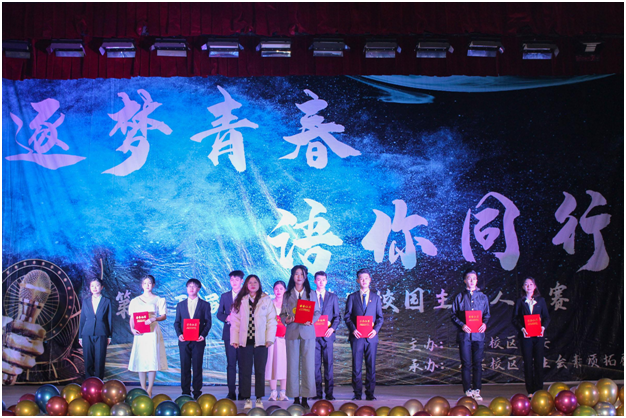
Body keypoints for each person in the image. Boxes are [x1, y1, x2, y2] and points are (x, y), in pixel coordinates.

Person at [230, 275, 277, 410]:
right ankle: (246, 398)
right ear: (246, 284)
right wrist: (234, 339)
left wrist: (269, 339)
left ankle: (258, 398)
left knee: (260, 371)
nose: (252, 284)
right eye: (250, 282)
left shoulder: (265, 300)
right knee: (245, 370)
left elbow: (272, 320)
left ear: (259, 284)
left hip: (261, 342)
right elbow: (235, 321)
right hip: (245, 342)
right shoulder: (240, 299)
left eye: (255, 282)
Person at [280, 265, 321, 409]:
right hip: (292, 332)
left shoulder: (311, 293)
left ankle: (305, 397)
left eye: (301, 274)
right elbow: (282, 314)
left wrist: (312, 320)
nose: (299, 277)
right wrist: (286, 320)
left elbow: (317, 312)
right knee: (292, 365)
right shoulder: (287, 294)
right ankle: (295, 397)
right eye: (296, 274)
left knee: (308, 365)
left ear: (305, 276)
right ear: (292, 276)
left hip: (308, 332)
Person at [344, 268, 384, 401]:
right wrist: (353, 329)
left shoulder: (376, 298)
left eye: (366, 278)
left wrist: (375, 330)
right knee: (356, 367)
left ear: (370, 280)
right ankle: (357, 393)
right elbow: (347, 316)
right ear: (357, 281)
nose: (364, 280)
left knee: (371, 366)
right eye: (361, 278)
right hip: (357, 337)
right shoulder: (352, 297)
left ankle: (370, 393)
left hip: (371, 338)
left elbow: (380, 318)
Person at [450, 269, 490, 401]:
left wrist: (484, 324)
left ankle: (477, 390)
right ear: (465, 280)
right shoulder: (459, 297)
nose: (472, 281)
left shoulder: (483, 297)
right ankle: (467, 389)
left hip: (478, 335)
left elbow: (487, 314)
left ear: (477, 280)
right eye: (469, 278)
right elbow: (453, 315)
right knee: (466, 363)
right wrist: (462, 325)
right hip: (465, 336)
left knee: (477, 363)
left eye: (474, 278)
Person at [128, 275, 168, 397]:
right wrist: (132, 329)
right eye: (145, 283)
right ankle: (143, 388)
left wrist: (154, 319)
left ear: (153, 285)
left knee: (152, 359)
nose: (147, 285)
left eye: (149, 283)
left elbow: (163, 316)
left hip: (152, 331)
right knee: (141, 359)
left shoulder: (158, 299)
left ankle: (149, 389)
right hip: (140, 332)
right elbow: (132, 317)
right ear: (142, 285)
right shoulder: (135, 301)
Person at [174, 278, 212, 400]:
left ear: (198, 289)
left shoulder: (205, 305)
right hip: (184, 341)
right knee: (185, 367)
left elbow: (208, 322)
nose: (191, 288)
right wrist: (179, 334)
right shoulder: (180, 305)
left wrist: (203, 335)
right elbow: (177, 322)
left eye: (194, 286)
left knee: (197, 367)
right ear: (186, 288)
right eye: (189, 286)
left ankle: (197, 392)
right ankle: (185, 392)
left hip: (198, 341)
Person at [512, 277, 551, 396]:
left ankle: (539, 389)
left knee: (539, 362)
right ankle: (530, 390)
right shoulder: (520, 301)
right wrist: (522, 329)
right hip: (526, 337)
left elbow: (546, 318)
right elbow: (514, 319)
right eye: (526, 284)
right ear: (523, 287)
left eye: (531, 284)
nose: (528, 286)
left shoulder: (541, 301)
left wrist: (543, 328)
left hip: (538, 336)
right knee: (528, 363)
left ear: (535, 286)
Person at [311, 271, 340, 401]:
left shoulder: (333, 297)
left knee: (328, 365)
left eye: (323, 280)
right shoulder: (309, 296)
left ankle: (329, 393)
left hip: (328, 336)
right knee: (315, 366)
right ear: (314, 281)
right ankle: (317, 393)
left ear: (326, 281)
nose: (321, 282)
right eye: (318, 279)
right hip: (313, 336)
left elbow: (337, 317)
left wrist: (332, 329)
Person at [217, 270, 243, 400]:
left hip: (244, 334)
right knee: (231, 364)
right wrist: (226, 318)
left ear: (241, 281)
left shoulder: (247, 296)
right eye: (232, 280)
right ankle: (231, 392)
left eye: (237, 280)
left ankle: (243, 392)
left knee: (243, 365)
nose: (234, 282)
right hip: (229, 334)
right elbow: (219, 314)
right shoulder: (225, 296)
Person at [79, 278, 112, 380]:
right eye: (92, 286)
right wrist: (80, 336)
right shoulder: (86, 301)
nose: (94, 288)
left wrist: (109, 336)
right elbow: (82, 319)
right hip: (87, 333)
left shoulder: (106, 301)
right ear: (90, 287)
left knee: (100, 360)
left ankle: (99, 382)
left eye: (97, 285)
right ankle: (88, 383)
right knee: (88, 360)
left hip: (101, 333)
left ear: (101, 287)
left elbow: (109, 319)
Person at [266, 281, 289, 402]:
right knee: (272, 364)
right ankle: (273, 392)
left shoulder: (289, 305)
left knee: (284, 365)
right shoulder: (269, 304)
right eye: (276, 289)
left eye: (281, 289)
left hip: (285, 339)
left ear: (285, 290)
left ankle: (283, 392)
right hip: (272, 339)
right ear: (273, 290)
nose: (278, 291)